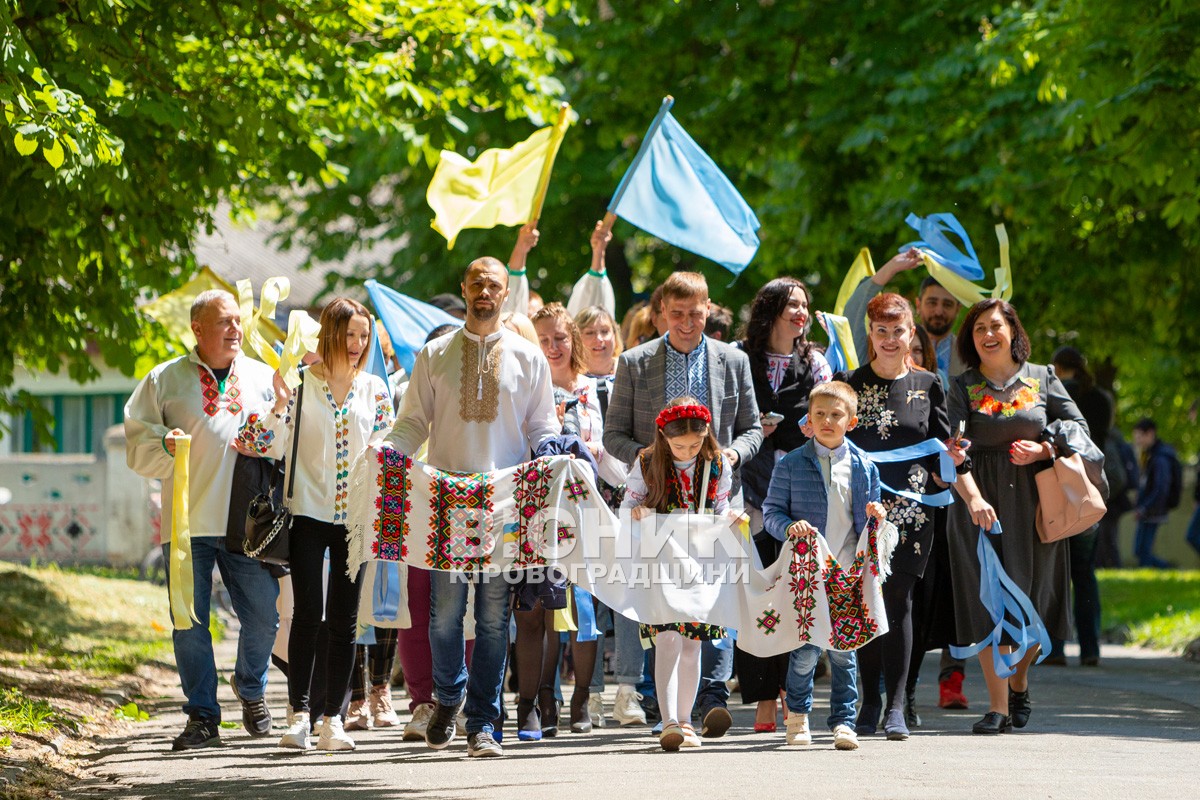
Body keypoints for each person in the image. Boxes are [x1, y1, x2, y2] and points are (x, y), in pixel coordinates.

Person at [386, 255, 561, 758]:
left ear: (507, 294)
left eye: (494, 284)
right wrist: (387, 454)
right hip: (446, 497)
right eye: (477, 282)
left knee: (491, 619)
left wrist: (553, 448)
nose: (485, 290)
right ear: (463, 288)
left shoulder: (529, 359)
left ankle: (482, 722)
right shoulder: (435, 354)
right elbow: (413, 423)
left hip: (503, 501)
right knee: (443, 616)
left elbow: (541, 425)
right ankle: (447, 698)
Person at [604, 269, 763, 738]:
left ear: (709, 308)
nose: (688, 322)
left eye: (696, 313)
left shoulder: (732, 360)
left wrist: (730, 454)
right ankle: (666, 713)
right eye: (677, 314)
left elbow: (753, 428)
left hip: (711, 509)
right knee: (665, 622)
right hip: (657, 512)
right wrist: (653, 464)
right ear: (660, 314)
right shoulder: (633, 362)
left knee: (706, 617)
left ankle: (705, 702)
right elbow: (613, 432)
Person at [124, 289, 280, 751]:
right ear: (197, 329)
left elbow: (284, 435)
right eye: (224, 322)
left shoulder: (262, 376)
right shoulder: (164, 379)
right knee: (188, 624)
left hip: (246, 524)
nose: (235, 329)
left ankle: (250, 688)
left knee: (264, 617)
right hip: (186, 523)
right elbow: (138, 439)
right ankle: (202, 717)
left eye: (238, 321)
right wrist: (165, 443)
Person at [237, 298, 395, 751]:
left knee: (345, 622)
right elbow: (255, 442)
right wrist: (279, 406)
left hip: (356, 520)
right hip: (306, 514)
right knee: (306, 615)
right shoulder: (300, 385)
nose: (357, 344)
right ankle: (300, 715)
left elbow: (388, 449)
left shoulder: (375, 392)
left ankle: (334, 719)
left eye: (363, 336)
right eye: (348, 335)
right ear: (328, 334)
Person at [946, 299, 1094, 735]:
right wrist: (971, 497)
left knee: (1032, 597)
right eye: (978, 330)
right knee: (987, 599)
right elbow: (952, 449)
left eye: (996, 325)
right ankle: (997, 706)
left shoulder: (1043, 378)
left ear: (1013, 330)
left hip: (1035, 501)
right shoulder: (962, 385)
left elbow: (1079, 429)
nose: (988, 335)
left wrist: (1046, 449)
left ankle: (1020, 680)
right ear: (970, 340)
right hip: (979, 503)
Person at [839, 293, 951, 741]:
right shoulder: (847, 381)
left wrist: (955, 464)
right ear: (870, 332)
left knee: (899, 597)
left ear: (911, 334)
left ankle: (897, 705)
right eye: (881, 331)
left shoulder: (929, 385)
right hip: (859, 509)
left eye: (898, 331)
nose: (889, 339)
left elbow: (944, 453)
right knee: (866, 596)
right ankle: (868, 703)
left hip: (913, 510)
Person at [518, 303, 627, 738]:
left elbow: (613, 458)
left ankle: (581, 697)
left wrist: (595, 453)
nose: (552, 347)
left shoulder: (595, 390)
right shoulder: (529, 387)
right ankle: (538, 699)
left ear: (574, 340)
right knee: (537, 610)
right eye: (542, 339)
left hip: (588, 509)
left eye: (560, 338)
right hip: (538, 512)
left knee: (584, 610)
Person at [762, 381, 885, 751]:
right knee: (805, 653)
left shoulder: (864, 466)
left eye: (836, 415)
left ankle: (843, 721)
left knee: (844, 653)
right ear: (809, 420)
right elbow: (771, 513)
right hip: (806, 574)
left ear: (851, 420)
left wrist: (877, 516)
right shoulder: (791, 463)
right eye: (820, 415)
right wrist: (789, 527)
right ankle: (797, 717)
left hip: (846, 572)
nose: (827, 421)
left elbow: (869, 521)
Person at [734, 277, 831, 733]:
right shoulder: (738, 358)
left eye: (805, 306)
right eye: (792, 304)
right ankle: (762, 700)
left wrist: (799, 429)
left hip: (798, 500)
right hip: (748, 494)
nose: (801, 313)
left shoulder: (815, 363)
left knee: (797, 595)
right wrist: (754, 430)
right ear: (770, 308)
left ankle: (796, 696)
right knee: (756, 596)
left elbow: (829, 416)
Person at [621, 397, 733, 750]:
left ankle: (686, 721)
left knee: (692, 642)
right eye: (679, 445)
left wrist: (730, 520)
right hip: (660, 563)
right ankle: (667, 720)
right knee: (666, 638)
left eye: (695, 444)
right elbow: (627, 505)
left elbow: (722, 507)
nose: (688, 450)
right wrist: (637, 511)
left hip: (700, 565)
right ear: (664, 438)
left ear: (706, 436)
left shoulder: (717, 465)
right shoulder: (647, 462)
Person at [1046, 346, 1112, 665]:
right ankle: (1090, 648)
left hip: (1057, 489)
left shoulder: (1051, 395)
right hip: (1091, 489)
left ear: (1058, 367)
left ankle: (1055, 647)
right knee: (1085, 573)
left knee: (1056, 569)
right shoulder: (1101, 399)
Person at [1132, 418, 1179, 569]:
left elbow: (1161, 487)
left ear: (1150, 434)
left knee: (1143, 551)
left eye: (1140, 436)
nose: (1138, 441)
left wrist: (1145, 507)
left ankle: (1168, 568)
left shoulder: (1160, 457)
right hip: (1150, 509)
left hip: (1153, 510)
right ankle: (1166, 569)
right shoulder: (1152, 454)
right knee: (1140, 550)